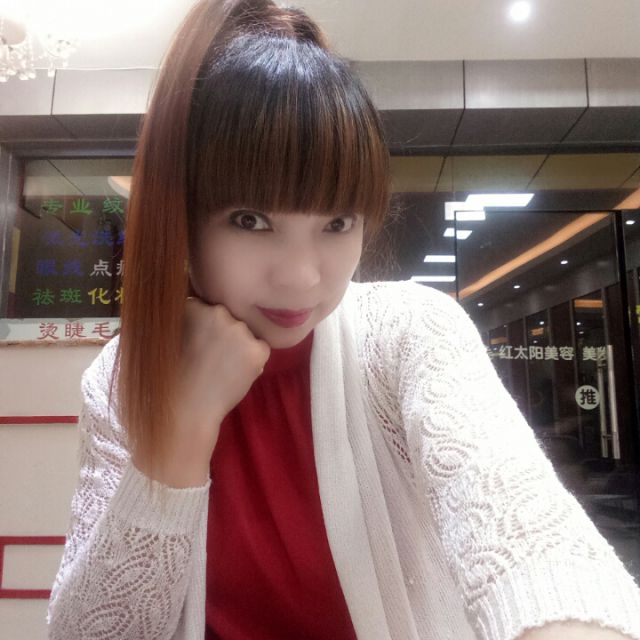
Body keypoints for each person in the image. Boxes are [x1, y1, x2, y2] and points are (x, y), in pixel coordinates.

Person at [47, 1, 640, 639]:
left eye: (336, 222)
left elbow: (524, 527)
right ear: (182, 217)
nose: (302, 277)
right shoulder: (120, 378)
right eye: (250, 219)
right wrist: (180, 438)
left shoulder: (408, 333)